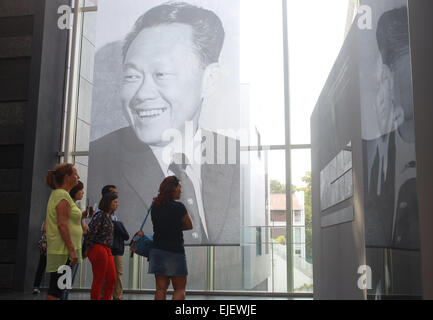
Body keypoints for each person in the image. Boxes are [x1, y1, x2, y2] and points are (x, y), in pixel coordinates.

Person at [87, 1, 240, 246]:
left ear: (209, 80)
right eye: (132, 76)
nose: (142, 94)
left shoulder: (235, 155)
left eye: (162, 74)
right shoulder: (94, 163)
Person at [148, 176, 193, 300]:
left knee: (160, 289)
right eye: (179, 187)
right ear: (173, 188)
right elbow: (190, 225)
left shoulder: (155, 206)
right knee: (179, 289)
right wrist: (177, 227)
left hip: (157, 250)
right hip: (175, 251)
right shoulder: (179, 207)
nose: (181, 190)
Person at [45, 163, 82, 300]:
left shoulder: (60, 194)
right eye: (75, 173)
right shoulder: (62, 195)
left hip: (62, 251)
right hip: (63, 252)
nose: (78, 176)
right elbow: (62, 224)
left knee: (59, 290)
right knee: (56, 291)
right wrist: (72, 250)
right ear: (67, 177)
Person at [84, 192, 118, 300]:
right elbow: (91, 232)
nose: (117, 204)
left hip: (107, 248)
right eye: (115, 202)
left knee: (112, 278)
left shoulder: (109, 216)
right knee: (99, 278)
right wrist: (87, 249)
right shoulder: (100, 215)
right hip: (98, 248)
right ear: (108, 203)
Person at [61, 180, 90, 300]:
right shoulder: (66, 204)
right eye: (80, 190)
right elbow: (64, 225)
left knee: (68, 281)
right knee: (64, 281)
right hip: (68, 248)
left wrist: (83, 218)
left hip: (76, 247)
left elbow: (83, 227)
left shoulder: (75, 206)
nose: (83, 192)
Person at [32, 220, 47, 294]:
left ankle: (36, 286)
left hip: (46, 244)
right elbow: (44, 229)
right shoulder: (48, 219)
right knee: (42, 265)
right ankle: (36, 286)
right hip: (47, 245)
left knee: (42, 266)